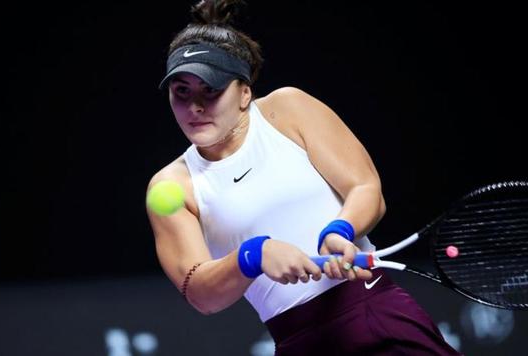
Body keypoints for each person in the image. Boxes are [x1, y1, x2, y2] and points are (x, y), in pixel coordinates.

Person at [147, 0, 461, 355]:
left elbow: (365, 187)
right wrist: (253, 255)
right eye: (182, 92)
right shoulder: (172, 185)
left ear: (245, 92)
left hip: (374, 311)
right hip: (298, 341)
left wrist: (340, 230)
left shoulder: (288, 109)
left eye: (211, 90)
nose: (196, 107)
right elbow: (201, 294)